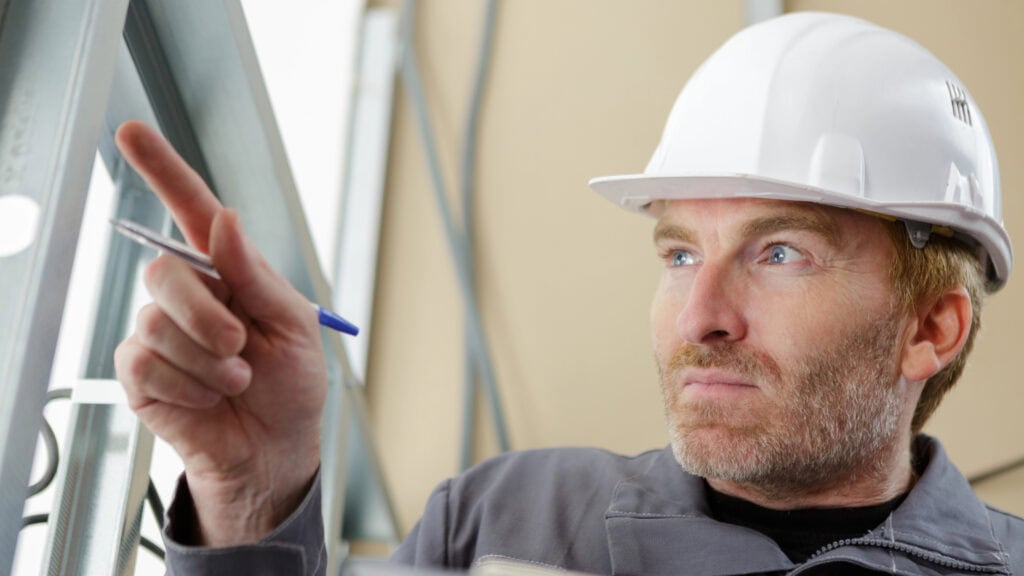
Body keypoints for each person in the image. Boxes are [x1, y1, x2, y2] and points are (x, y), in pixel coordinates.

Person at [114, 12, 1023, 576]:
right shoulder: (499, 520)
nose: (701, 316)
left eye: (780, 253)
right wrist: (252, 490)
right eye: (679, 254)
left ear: (930, 327)